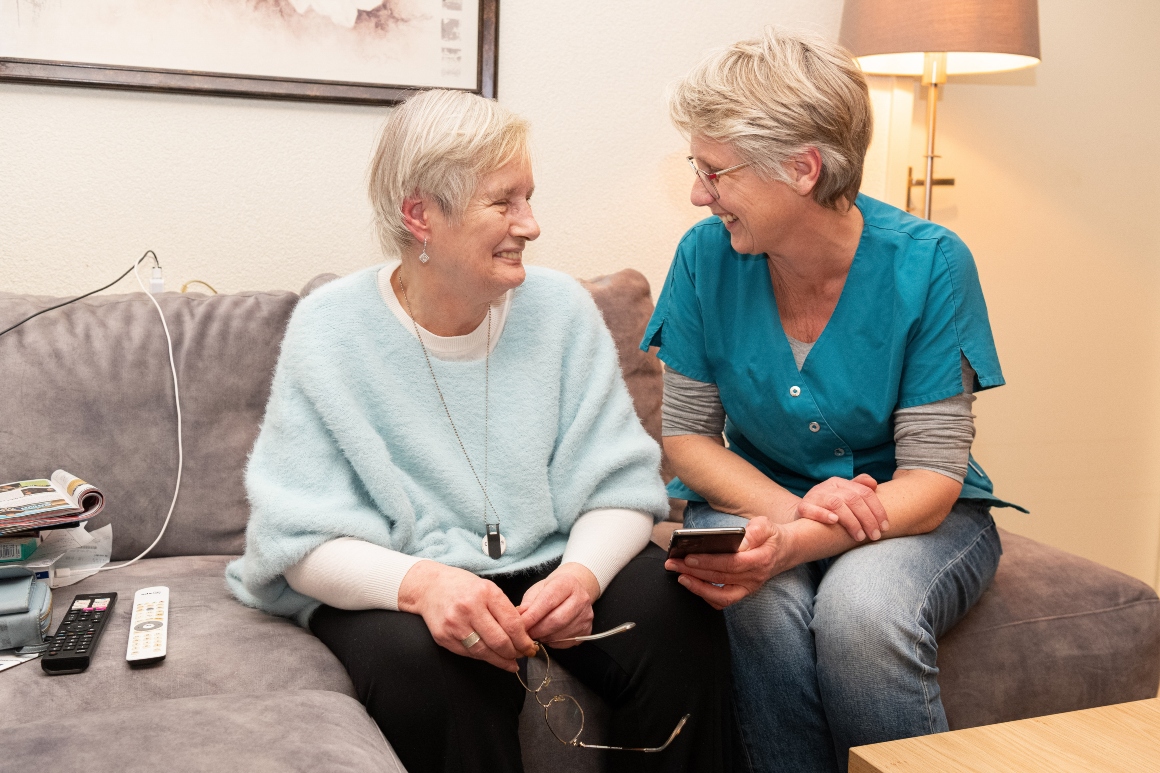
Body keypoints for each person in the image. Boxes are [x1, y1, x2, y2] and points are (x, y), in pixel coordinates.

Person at [226, 89, 745, 773]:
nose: (530, 224)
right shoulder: (331, 329)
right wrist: (423, 586)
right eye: (504, 202)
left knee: (682, 619)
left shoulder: (561, 310)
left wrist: (584, 575)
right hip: (401, 575)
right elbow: (297, 538)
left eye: (529, 198)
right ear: (421, 215)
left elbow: (620, 486)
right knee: (430, 673)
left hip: (550, 558)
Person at [644, 28, 1025, 773]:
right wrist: (795, 513)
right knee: (757, 602)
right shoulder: (702, 256)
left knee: (863, 613)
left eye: (715, 171)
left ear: (802, 168)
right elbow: (688, 438)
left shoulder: (932, 263)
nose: (698, 193)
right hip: (758, 495)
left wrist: (804, 539)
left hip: (918, 509)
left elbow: (932, 478)